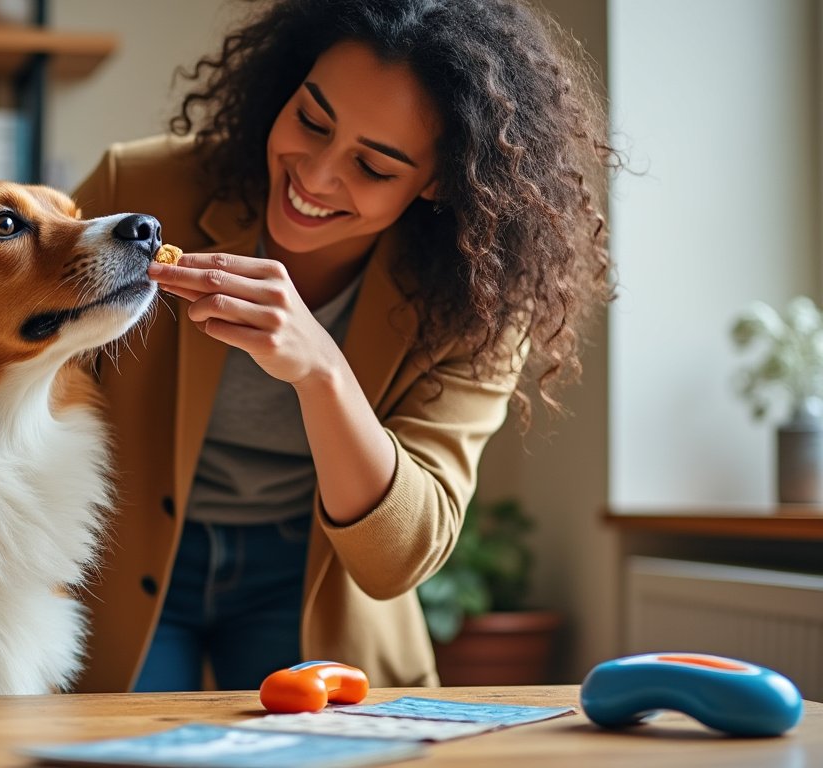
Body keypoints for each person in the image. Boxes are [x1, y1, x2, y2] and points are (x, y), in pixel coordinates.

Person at [70, 0, 616, 694]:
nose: (317, 177)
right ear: (288, 84)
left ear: (440, 180)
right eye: (311, 120)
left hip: (312, 582)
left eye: (375, 166)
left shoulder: (477, 303)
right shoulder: (140, 191)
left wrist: (321, 370)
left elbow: (400, 558)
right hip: (114, 556)